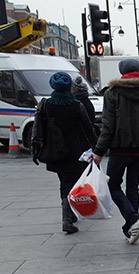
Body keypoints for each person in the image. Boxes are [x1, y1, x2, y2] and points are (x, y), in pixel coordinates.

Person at [89, 58, 139, 244]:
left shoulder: (113, 93)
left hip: (119, 149)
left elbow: (108, 125)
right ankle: (130, 228)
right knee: (133, 187)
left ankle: (133, 219)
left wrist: (99, 151)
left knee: (112, 185)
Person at [31, 72, 98, 234]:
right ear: (69, 87)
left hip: (54, 151)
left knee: (64, 180)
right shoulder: (76, 105)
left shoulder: (45, 105)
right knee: (70, 181)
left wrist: (35, 150)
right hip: (75, 151)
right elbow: (88, 128)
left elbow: (37, 129)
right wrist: (97, 149)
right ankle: (67, 218)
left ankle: (69, 213)